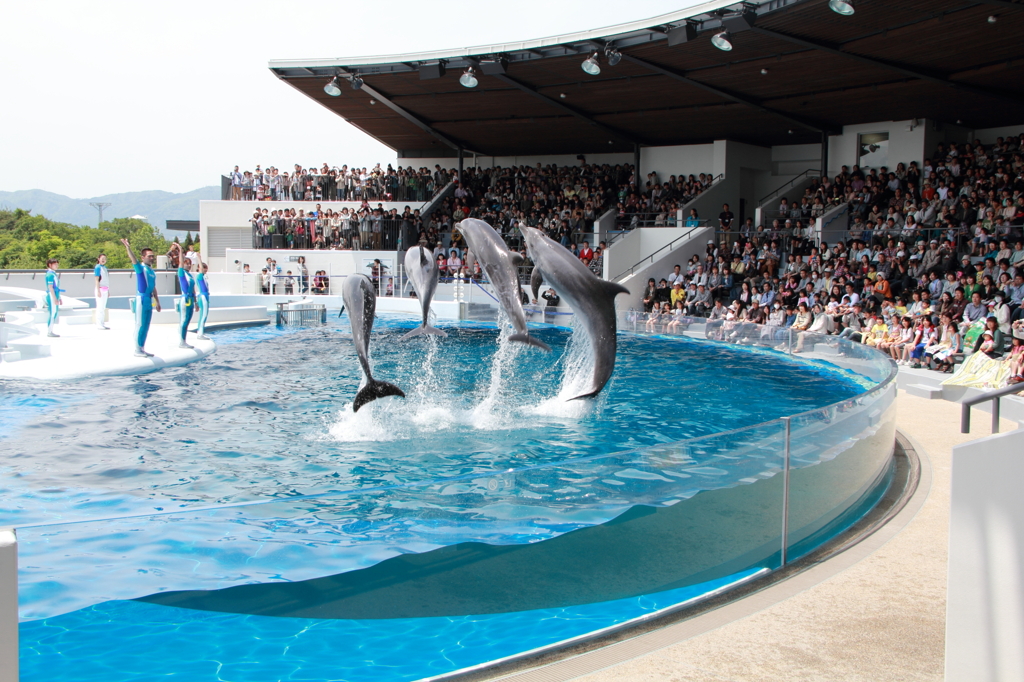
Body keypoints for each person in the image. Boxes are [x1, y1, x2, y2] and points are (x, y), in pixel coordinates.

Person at [122, 239, 161, 357]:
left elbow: (153, 287)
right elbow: (133, 260)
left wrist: (157, 301)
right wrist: (128, 248)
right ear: (143, 257)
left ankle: (142, 347)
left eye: (153, 256)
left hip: (149, 299)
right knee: (140, 324)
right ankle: (137, 349)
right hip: (141, 299)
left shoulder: (151, 271)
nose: (152, 258)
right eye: (149, 256)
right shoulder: (141, 268)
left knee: (146, 324)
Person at [171, 243, 196, 349]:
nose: (188, 265)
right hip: (185, 299)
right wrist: (181, 250)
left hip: (190, 299)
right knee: (184, 320)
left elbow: (193, 289)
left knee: (188, 320)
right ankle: (181, 342)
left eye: (190, 263)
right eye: (187, 263)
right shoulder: (182, 273)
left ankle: (184, 340)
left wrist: (196, 302)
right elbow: (180, 262)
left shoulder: (190, 275)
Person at [194, 250, 211, 340]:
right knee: (203, 315)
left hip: (205, 296)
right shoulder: (199, 276)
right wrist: (199, 259)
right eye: (204, 268)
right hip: (203, 297)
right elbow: (200, 268)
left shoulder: (204, 277)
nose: (206, 270)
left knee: (204, 315)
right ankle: (200, 333)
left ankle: (201, 332)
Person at [44, 258, 62, 337]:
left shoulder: (54, 273)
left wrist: (59, 297)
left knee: (55, 313)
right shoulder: (50, 274)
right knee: (52, 313)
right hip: (52, 295)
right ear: (50, 265)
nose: (56, 265)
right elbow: (50, 287)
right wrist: (55, 298)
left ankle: (51, 330)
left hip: (56, 294)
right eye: (55, 264)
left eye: (57, 264)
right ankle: (49, 331)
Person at [93, 254, 110, 330]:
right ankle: (98, 324)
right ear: (98, 259)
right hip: (100, 289)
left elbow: (106, 280)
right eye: (102, 258)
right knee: (99, 307)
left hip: (105, 290)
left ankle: (102, 323)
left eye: (105, 258)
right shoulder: (98, 267)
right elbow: (97, 279)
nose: (103, 260)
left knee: (103, 307)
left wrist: (108, 291)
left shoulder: (105, 268)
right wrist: (98, 290)